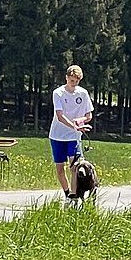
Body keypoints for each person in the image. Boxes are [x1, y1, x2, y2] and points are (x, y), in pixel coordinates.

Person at [50, 63, 94, 198]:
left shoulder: (83, 93)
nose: (73, 84)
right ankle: (67, 192)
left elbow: (89, 115)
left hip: (74, 136)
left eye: (76, 81)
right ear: (66, 78)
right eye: (71, 80)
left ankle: (74, 195)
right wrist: (74, 125)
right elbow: (60, 116)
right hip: (57, 135)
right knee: (60, 168)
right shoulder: (58, 93)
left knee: (75, 166)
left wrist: (80, 122)